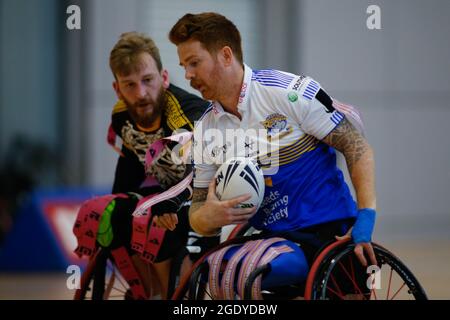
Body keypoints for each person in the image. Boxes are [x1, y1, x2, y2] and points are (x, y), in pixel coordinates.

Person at [168, 12, 378, 283]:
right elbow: (197, 211)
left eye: (194, 63)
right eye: (184, 65)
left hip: (328, 231)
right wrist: (206, 218)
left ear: (226, 55)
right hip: (270, 240)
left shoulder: (287, 92)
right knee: (219, 270)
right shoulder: (205, 129)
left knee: (252, 269)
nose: (187, 75)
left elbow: (356, 147)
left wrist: (366, 216)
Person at [104, 31, 217, 299]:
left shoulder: (185, 114)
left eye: (147, 80)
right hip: (171, 191)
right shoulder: (121, 116)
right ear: (117, 89)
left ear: (164, 78)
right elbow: (131, 161)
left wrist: (168, 202)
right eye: (129, 85)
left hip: (211, 188)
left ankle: (181, 297)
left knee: (161, 223)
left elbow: (201, 169)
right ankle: (150, 292)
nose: (141, 93)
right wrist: (119, 202)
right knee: (115, 217)